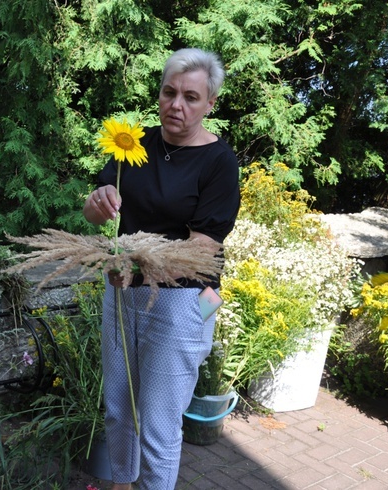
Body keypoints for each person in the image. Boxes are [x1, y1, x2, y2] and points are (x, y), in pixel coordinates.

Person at [82, 48, 240, 489]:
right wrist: (95, 205)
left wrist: (135, 263)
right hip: (123, 291)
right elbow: (98, 211)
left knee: (158, 424)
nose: (177, 104)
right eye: (169, 92)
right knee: (118, 406)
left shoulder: (219, 163)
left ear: (210, 104)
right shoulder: (133, 145)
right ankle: (120, 483)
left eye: (191, 97)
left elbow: (202, 248)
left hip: (182, 302)